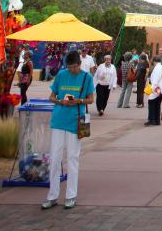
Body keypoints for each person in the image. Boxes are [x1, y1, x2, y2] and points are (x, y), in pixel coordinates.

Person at [42, 50, 95, 210]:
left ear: (79, 63)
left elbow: (91, 99)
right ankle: (52, 196)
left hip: (75, 121)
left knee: (73, 158)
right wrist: (60, 101)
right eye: (69, 67)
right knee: (55, 158)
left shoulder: (87, 77)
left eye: (74, 67)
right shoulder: (61, 75)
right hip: (58, 120)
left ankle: (71, 195)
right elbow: (51, 97)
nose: (71, 70)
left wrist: (78, 100)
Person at [145, 55, 162, 126]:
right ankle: (157, 120)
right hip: (161, 89)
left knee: (151, 103)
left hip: (157, 89)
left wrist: (152, 88)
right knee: (157, 105)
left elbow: (156, 79)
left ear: (154, 61)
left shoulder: (157, 68)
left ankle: (152, 120)